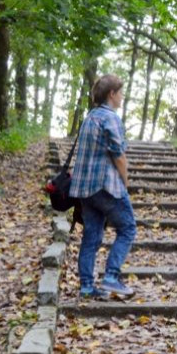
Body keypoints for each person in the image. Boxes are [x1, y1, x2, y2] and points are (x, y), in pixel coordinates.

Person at [69, 75, 137, 300]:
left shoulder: (89, 117)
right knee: (128, 228)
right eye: (121, 92)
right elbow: (119, 155)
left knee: (92, 236)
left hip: (84, 189)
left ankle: (87, 287)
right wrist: (124, 185)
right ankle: (111, 277)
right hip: (105, 186)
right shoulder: (111, 118)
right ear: (112, 94)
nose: (122, 96)